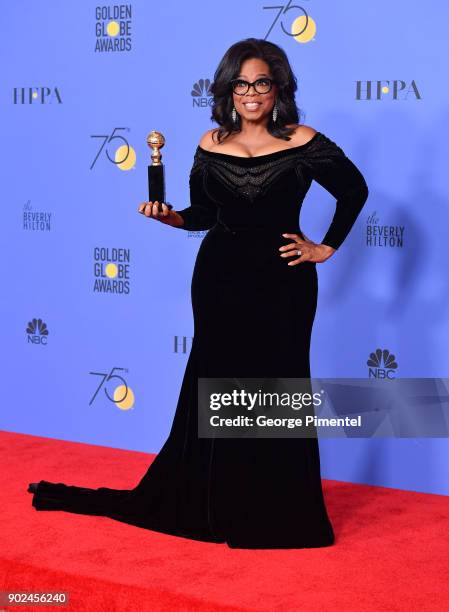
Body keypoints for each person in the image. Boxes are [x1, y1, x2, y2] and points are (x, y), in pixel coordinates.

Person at [28, 38, 369, 549]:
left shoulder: (304, 139)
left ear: (279, 89)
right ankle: (215, 504)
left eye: (262, 83)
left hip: (284, 282)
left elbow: (354, 189)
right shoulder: (210, 143)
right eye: (241, 83)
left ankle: (277, 509)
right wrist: (172, 218)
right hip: (220, 278)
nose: (251, 93)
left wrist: (326, 248)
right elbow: (203, 215)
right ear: (228, 89)